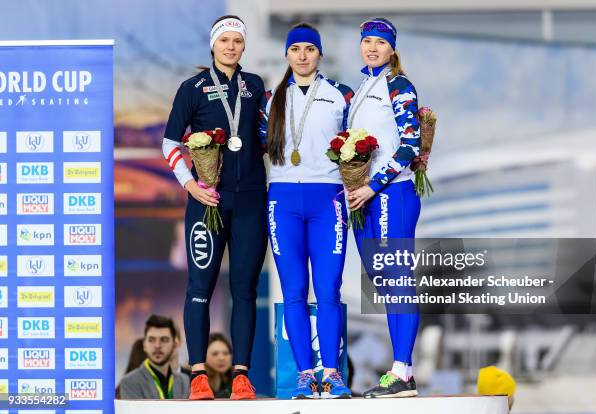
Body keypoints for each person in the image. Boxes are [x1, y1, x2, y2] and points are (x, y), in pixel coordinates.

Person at [162, 14, 267, 400]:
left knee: (244, 288)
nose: (231, 47)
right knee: (200, 286)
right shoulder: (192, 88)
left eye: (237, 41)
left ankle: (241, 374)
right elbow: (170, 144)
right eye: (225, 41)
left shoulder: (255, 86)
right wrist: (190, 185)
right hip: (208, 201)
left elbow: (266, 136)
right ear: (213, 45)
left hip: (252, 200)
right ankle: (199, 375)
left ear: (243, 46)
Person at [261, 23, 353, 399]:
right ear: (287, 54)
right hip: (282, 200)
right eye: (295, 49)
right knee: (294, 289)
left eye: (309, 49)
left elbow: (359, 144)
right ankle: (303, 374)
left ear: (319, 54)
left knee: (329, 288)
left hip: (326, 199)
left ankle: (331, 373)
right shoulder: (270, 99)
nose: (302, 55)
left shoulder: (340, 95)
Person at [346, 17, 425, 398]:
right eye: (367, 42)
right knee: (383, 282)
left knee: (398, 281)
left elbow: (410, 145)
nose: (373, 47)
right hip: (364, 198)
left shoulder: (398, 85)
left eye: (380, 42)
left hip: (392, 193)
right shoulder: (363, 87)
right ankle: (402, 371)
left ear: (392, 48)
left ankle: (402, 369)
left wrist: (374, 186)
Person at [119, 315, 190, 399]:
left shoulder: (184, 381)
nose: (157, 345)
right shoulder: (130, 382)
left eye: (164, 340)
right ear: (144, 345)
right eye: (151, 340)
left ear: (174, 345)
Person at [205, 333, 233, 398]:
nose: (221, 358)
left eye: (226, 353)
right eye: (215, 354)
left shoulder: (235, 380)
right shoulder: (190, 380)